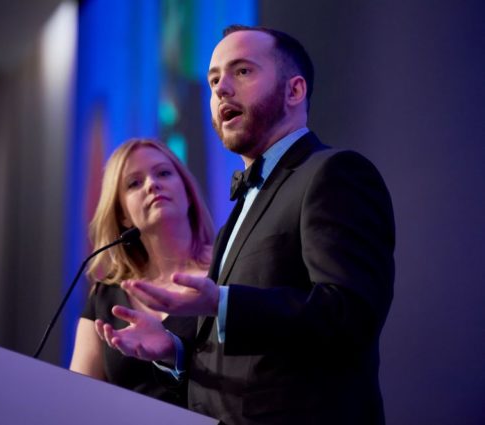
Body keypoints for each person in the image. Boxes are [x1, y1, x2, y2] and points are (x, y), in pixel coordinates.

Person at [94, 25, 395, 425]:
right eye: (214, 79)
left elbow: (349, 316)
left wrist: (221, 303)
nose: (221, 90)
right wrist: (175, 352)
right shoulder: (238, 212)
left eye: (242, 72)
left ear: (295, 91)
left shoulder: (334, 173)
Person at [69, 138, 214, 407]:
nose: (152, 184)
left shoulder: (228, 267)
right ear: (123, 215)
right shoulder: (105, 297)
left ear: (187, 191)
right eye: (134, 183)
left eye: (163, 173)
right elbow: (78, 402)